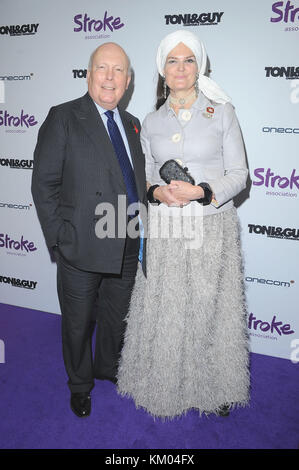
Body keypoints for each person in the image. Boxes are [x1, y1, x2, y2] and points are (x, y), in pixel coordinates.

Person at [117, 30, 250, 419]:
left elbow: (240, 174)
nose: (180, 68)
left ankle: (219, 385)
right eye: (172, 61)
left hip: (212, 225)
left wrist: (203, 191)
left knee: (213, 309)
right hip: (167, 229)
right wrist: (156, 192)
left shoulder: (222, 112)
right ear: (162, 69)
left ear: (199, 66)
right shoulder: (150, 121)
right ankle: (161, 382)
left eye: (188, 60)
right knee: (168, 308)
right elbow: (141, 177)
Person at [31, 42, 147, 418]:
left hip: (127, 242)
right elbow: (43, 184)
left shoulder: (132, 124)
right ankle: (80, 385)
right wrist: (60, 239)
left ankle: (107, 368)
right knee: (78, 324)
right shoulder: (64, 116)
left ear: (128, 81)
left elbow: (136, 180)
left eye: (118, 71)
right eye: (102, 68)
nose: (110, 78)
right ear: (88, 74)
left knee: (115, 318)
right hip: (81, 246)